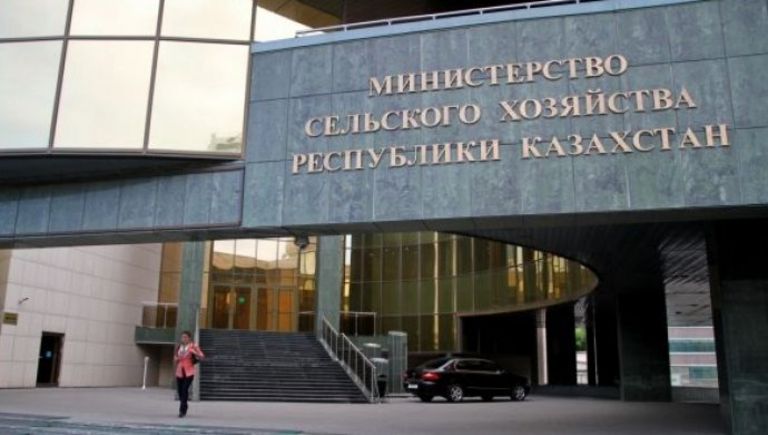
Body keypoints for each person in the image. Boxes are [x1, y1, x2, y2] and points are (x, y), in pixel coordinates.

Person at [174, 331, 204, 418]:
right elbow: (175, 357)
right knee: (180, 391)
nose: (183, 339)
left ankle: (182, 410)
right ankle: (185, 404)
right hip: (180, 371)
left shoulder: (193, 346)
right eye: (182, 337)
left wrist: (193, 352)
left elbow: (202, 356)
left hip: (189, 371)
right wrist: (176, 358)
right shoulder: (179, 347)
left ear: (189, 338)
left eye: (185, 337)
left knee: (184, 389)